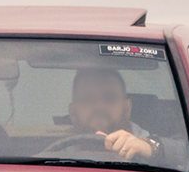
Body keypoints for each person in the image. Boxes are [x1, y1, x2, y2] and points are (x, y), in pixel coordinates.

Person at [45, 68, 174, 164]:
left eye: (109, 97)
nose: (99, 106)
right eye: (87, 98)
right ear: (73, 112)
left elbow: (187, 154)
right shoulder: (51, 155)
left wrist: (151, 148)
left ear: (127, 108)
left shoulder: (150, 147)